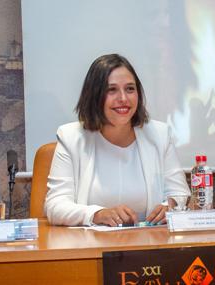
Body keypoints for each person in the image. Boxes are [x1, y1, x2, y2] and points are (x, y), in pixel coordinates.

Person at [44, 54, 190, 227]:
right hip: (91, 247)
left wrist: (170, 206)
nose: (123, 98)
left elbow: (180, 194)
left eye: (130, 89)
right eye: (111, 90)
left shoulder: (159, 134)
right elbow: (55, 206)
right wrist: (97, 214)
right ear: (94, 96)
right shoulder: (71, 137)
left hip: (149, 245)